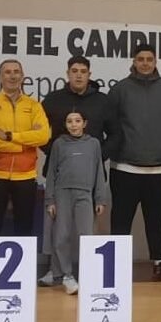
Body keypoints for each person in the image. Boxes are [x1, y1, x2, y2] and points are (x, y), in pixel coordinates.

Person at [105, 43, 161, 281]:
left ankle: (159, 264)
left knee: (156, 221)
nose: (145, 63)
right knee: (121, 220)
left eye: (149, 59)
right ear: (134, 61)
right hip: (124, 168)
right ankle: (115, 267)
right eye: (141, 59)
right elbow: (110, 126)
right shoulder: (120, 90)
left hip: (160, 169)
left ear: (155, 61)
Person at [0, 60, 50, 237]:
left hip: (26, 175)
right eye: (7, 72)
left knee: (24, 228)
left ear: (22, 76)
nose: (12, 76)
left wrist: (11, 136)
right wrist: (24, 143)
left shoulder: (34, 105)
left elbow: (43, 136)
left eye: (16, 72)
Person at [42, 111, 110, 294]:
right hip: (62, 193)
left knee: (86, 235)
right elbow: (51, 173)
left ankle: (87, 274)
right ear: (65, 125)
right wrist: (50, 199)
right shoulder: (59, 144)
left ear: (84, 123)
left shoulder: (93, 144)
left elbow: (99, 171)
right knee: (61, 235)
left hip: (85, 194)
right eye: (69, 121)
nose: (73, 125)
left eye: (77, 121)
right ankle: (66, 275)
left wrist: (100, 198)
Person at [41, 55, 109, 168]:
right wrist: (54, 152)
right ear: (68, 73)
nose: (79, 75)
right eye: (74, 71)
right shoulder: (53, 99)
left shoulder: (103, 101)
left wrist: (99, 155)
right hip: (59, 165)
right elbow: (38, 130)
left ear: (89, 75)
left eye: (83, 71)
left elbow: (115, 133)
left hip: (92, 166)